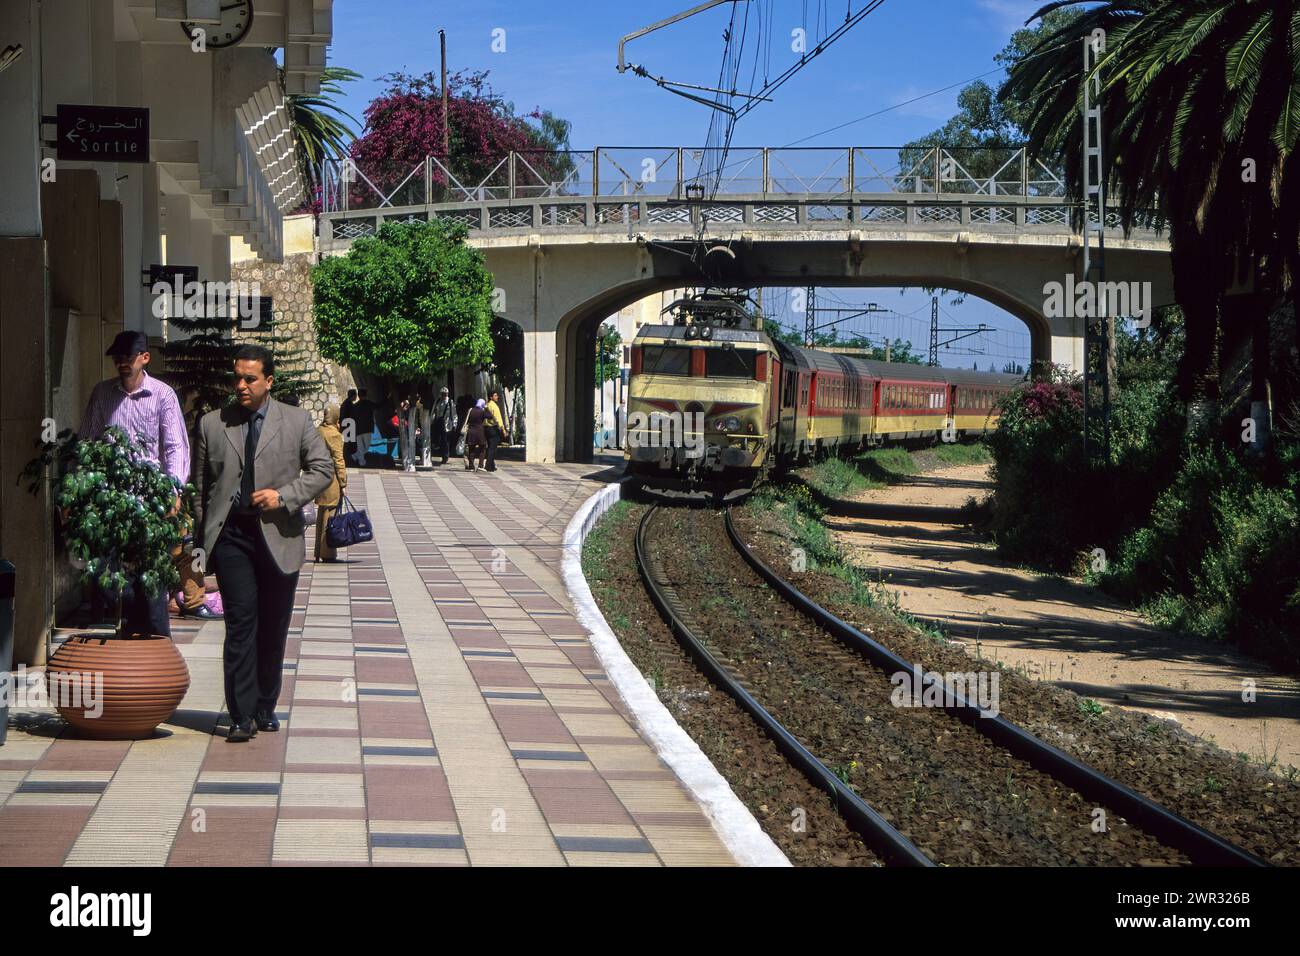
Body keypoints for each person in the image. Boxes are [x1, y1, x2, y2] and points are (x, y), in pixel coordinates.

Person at [192, 345, 333, 742]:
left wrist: (283, 496)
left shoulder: (296, 421)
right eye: (236, 377)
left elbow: (322, 470)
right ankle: (239, 714)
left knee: (273, 628)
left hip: (278, 536)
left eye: (250, 378)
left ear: (269, 381)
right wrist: (201, 551)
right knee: (240, 624)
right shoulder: (212, 424)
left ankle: (265, 705)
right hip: (233, 538)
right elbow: (202, 491)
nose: (241, 385)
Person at [78, 331, 210, 633]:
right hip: (110, 504)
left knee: (150, 585)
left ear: (144, 358)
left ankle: (155, 649)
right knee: (108, 580)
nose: (122, 363)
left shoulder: (163, 395)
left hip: (151, 506)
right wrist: (80, 490)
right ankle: (120, 644)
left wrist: (173, 492)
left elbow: (176, 447)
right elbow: (87, 441)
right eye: (118, 358)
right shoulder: (102, 394)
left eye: (128, 357)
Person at [314, 404, 347, 563]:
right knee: (330, 514)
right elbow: (338, 460)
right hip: (331, 478)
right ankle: (327, 553)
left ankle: (319, 551)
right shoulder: (334, 435)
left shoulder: (319, 431)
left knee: (322, 513)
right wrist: (343, 482)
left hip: (319, 477)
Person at [431, 387, 458, 465]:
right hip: (438, 423)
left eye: (445, 394)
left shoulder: (450, 402)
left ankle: (445, 456)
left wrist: (454, 424)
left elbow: (454, 414)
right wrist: (431, 421)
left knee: (445, 441)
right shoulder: (438, 401)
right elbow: (434, 411)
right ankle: (441, 453)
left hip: (447, 425)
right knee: (439, 440)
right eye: (442, 394)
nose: (444, 395)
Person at [350, 388, 376, 466]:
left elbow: (352, 417)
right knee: (366, 447)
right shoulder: (369, 404)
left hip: (358, 429)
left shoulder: (355, 406)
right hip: (367, 429)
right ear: (366, 395)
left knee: (360, 447)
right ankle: (356, 458)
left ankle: (360, 461)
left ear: (359, 395)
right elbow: (379, 405)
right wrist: (387, 398)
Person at [484, 389, 506, 473]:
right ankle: (488, 465)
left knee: (490, 446)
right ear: (491, 397)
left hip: (486, 428)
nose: (497, 397)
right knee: (492, 448)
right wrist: (503, 429)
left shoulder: (487, 405)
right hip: (493, 428)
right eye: (495, 395)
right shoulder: (494, 406)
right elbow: (498, 419)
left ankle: (492, 466)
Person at [464, 398, 488, 472]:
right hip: (480, 432)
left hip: (471, 431)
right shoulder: (482, 411)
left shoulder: (471, 410)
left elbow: (467, 420)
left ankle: (471, 466)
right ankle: (480, 466)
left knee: (471, 449)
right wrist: (486, 408)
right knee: (482, 448)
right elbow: (490, 416)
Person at [340, 387, 358, 465]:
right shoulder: (348, 404)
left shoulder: (346, 403)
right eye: (356, 395)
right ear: (353, 396)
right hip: (348, 427)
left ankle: (348, 460)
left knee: (348, 445)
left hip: (346, 427)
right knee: (348, 445)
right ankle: (348, 461)